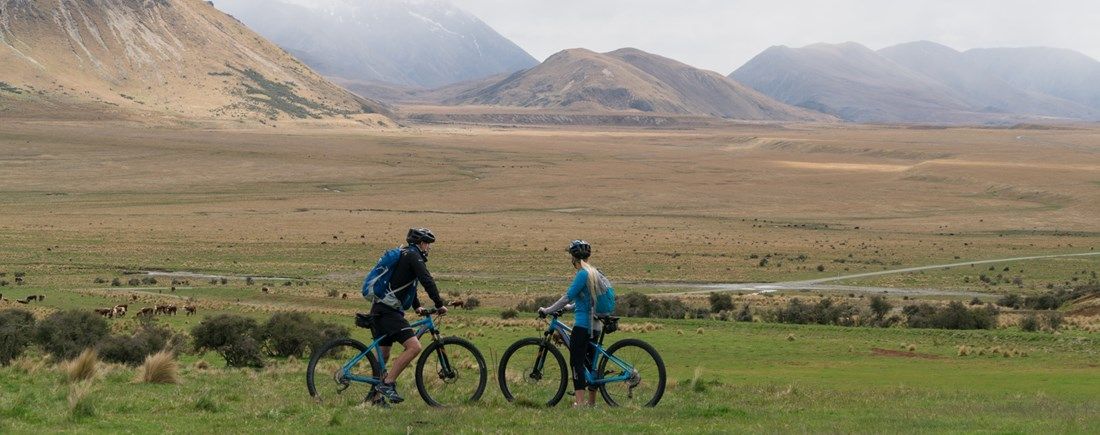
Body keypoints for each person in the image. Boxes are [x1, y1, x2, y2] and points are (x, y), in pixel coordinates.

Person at [370, 227, 447, 403]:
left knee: (383, 354)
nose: (428, 247)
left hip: (379, 308)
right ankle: (387, 383)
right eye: (427, 243)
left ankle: (375, 398)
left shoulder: (404, 254)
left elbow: (404, 284)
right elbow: (426, 280)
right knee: (414, 347)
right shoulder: (414, 255)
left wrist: (417, 306)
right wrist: (439, 304)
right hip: (388, 312)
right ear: (420, 243)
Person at [538, 240, 614, 407]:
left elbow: (568, 296)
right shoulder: (594, 272)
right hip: (595, 325)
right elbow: (586, 300)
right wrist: (568, 308)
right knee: (590, 365)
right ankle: (591, 403)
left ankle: (579, 403)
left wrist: (548, 310)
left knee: (576, 362)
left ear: (573, 257)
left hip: (583, 326)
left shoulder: (582, 274)